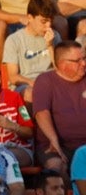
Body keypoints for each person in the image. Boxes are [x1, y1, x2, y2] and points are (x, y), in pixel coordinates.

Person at [34, 41, 86, 172]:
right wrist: (53, 139)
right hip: (57, 147)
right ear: (63, 64)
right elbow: (41, 113)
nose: (84, 64)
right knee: (56, 166)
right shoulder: (45, 81)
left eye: (84, 58)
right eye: (78, 61)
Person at [3, 0, 61, 97]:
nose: (48, 26)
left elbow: (60, 70)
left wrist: (50, 46)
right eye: (43, 21)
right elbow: (13, 77)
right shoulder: (14, 40)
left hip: (51, 82)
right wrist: (36, 84)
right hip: (26, 85)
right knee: (31, 93)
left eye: (50, 21)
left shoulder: (54, 36)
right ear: (30, 18)